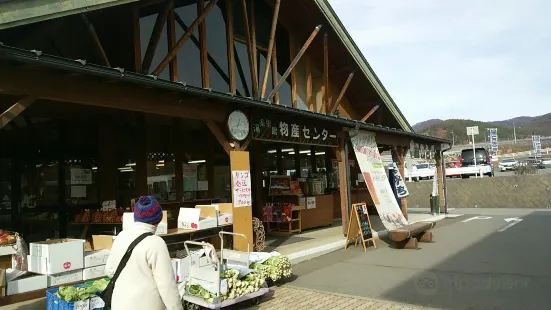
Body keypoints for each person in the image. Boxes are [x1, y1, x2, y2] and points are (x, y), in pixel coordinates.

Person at [105, 196, 183, 310]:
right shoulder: (156, 243)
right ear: (158, 220)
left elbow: (109, 270)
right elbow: (166, 286)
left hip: (119, 304)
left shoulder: (121, 236)